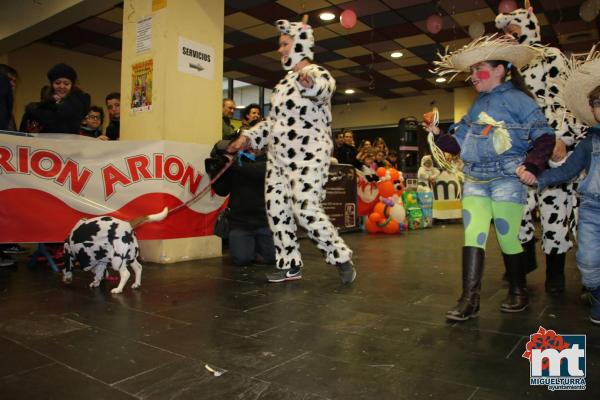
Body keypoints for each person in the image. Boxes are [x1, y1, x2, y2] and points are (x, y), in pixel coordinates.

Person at [426, 35, 554, 321]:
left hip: (507, 178)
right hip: (474, 178)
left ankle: (518, 291)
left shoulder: (519, 100)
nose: (473, 76)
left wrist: (532, 166)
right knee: (474, 235)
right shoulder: (476, 105)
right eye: (471, 70)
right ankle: (469, 299)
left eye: (478, 69)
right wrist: (438, 135)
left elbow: (545, 136)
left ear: (500, 69)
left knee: (508, 236)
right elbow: (458, 144)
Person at [228, 16, 355, 284]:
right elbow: (272, 123)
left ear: (300, 45)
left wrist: (309, 82)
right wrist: (248, 138)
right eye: (281, 44)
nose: (280, 49)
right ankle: (289, 264)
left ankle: (341, 257)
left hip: (309, 155)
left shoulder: (317, 73)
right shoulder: (282, 85)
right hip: (277, 159)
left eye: (285, 44)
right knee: (277, 211)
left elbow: (324, 88)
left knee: (306, 209)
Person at [496, 6, 587, 293]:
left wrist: (561, 138)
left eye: (515, 32)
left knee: (554, 210)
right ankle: (522, 264)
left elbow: (566, 101)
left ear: (530, 29)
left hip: (552, 149)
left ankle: (556, 274)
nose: (510, 38)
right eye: (505, 34)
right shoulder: (506, 70)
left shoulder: (551, 57)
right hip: (520, 150)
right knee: (516, 209)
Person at [529, 52, 600, 325]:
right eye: (596, 102)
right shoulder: (589, 143)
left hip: (588, 206)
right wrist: (538, 177)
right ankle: (595, 292)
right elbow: (567, 171)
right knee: (587, 259)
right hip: (592, 208)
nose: (599, 106)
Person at [206, 137, 275, 267]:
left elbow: (258, 171)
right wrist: (217, 170)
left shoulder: (270, 162)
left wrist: (232, 163)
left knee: (272, 258)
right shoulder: (238, 163)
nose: (253, 148)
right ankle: (250, 249)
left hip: (265, 221)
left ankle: (255, 248)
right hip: (240, 222)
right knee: (241, 260)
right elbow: (222, 191)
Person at [23, 63, 90, 134]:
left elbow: (54, 118)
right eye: (57, 83)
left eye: (66, 83)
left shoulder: (77, 101)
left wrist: (31, 108)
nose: (61, 86)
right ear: (52, 85)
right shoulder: (51, 100)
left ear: (72, 86)